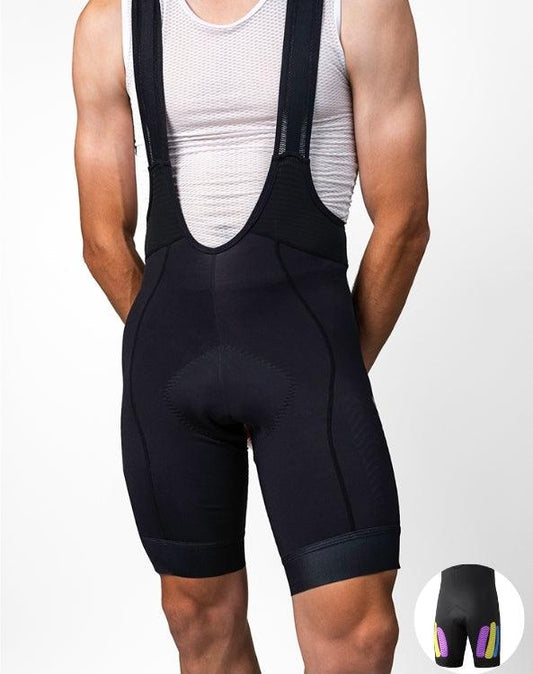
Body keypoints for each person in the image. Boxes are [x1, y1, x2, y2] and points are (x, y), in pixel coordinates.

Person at [73, 0, 429, 672]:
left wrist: (322, 368)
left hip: (307, 357)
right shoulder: (109, 22)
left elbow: (404, 221)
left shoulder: (360, 9)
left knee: (359, 633)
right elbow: (101, 238)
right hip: (171, 374)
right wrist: (181, 346)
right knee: (196, 621)